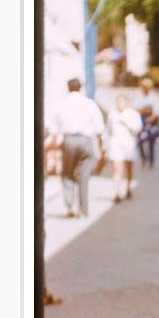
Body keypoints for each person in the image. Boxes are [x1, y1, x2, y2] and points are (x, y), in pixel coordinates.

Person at [50, 77, 106, 218]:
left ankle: (70, 206)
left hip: (68, 140)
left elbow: (54, 129)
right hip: (85, 140)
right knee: (84, 175)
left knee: (67, 173)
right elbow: (99, 127)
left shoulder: (61, 104)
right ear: (80, 87)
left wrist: (55, 145)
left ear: (68, 88)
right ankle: (83, 208)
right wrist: (101, 145)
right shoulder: (89, 104)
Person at [107, 93, 142, 202]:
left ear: (126, 103)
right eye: (118, 102)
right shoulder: (112, 114)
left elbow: (137, 129)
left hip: (129, 144)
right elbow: (108, 130)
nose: (119, 104)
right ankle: (116, 191)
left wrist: (125, 122)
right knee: (117, 169)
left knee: (129, 168)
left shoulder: (133, 114)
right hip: (116, 144)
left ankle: (128, 187)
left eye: (121, 102)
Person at [135, 76, 159, 167]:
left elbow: (157, 112)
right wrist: (145, 110)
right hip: (141, 120)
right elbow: (136, 109)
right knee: (140, 141)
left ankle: (151, 161)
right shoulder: (139, 97)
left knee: (151, 141)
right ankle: (144, 158)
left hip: (151, 121)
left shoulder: (154, 98)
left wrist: (149, 116)